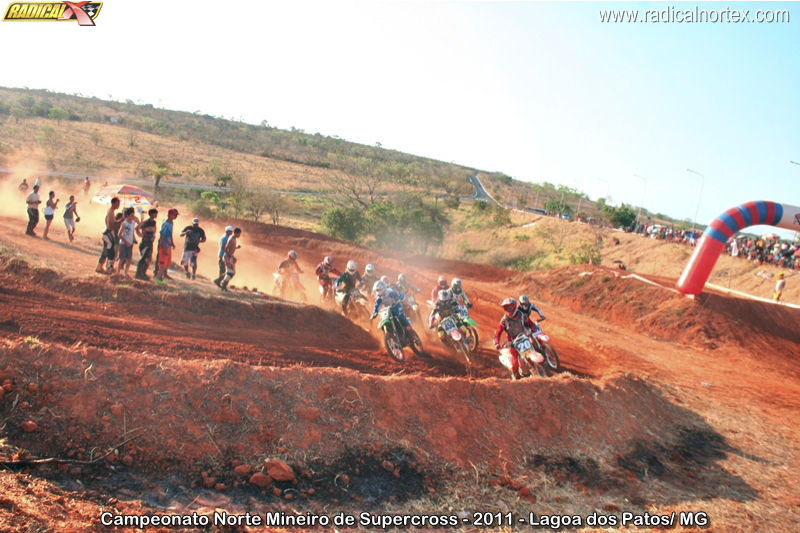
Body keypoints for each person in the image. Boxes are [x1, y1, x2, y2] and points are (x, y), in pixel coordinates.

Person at [494, 297, 538, 380]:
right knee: (515, 361)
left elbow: (529, 322)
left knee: (535, 347)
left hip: (524, 337)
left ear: (514, 306)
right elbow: (498, 332)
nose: (509, 309)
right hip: (513, 342)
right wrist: (497, 342)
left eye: (510, 307)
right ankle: (516, 375)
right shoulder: (504, 320)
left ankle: (539, 367)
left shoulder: (521, 315)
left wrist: (533, 327)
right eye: (506, 307)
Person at [96, 197, 121, 274]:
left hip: (109, 233)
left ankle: (99, 267)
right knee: (110, 251)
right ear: (114, 203)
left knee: (106, 251)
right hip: (108, 233)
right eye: (118, 203)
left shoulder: (111, 211)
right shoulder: (110, 212)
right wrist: (121, 220)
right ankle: (109, 268)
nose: (118, 205)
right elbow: (111, 224)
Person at [154, 208, 179, 282]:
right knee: (162, 262)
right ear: (170, 215)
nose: (175, 216)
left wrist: (172, 242)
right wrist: (163, 246)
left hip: (168, 244)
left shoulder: (171, 223)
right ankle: (158, 278)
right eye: (174, 215)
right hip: (164, 244)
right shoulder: (166, 224)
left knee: (166, 262)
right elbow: (162, 235)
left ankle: (162, 275)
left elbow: (170, 234)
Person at [135, 209, 158, 280]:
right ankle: (138, 273)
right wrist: (140, 235)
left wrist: (153, 235)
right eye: (155, 213)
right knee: (143, 258)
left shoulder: (154, 222)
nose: (156, 215)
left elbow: (154, 230)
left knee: (148, 258)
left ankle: (143, 273)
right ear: (151, 214)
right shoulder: (146, 222)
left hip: (150, 242)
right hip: (145, 242)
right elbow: (137, 228)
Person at [220, 227, 242, 292]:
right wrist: (231, 256)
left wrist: (236, 248)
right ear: (236, 233)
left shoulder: (234, 239)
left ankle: (222, 283)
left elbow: (231, 248)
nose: (239, 235)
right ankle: (223, 286)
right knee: (230, 273)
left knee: (232, 273)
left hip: (229, 256)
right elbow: (226, 249)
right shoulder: (231, 239)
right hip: (227, 257)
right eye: (239, 234)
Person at [118, 207, 137, 278]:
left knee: (129, 259)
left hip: (130, 243)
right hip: (123, 243)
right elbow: (119, 234)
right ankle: (118, 273)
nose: (133, 216)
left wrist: (134, 239)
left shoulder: (132, 223)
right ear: (127, 215)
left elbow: (132, 232)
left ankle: (125, 273)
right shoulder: (124, 224)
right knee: (121, 259)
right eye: (132, 215)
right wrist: (125, 242)